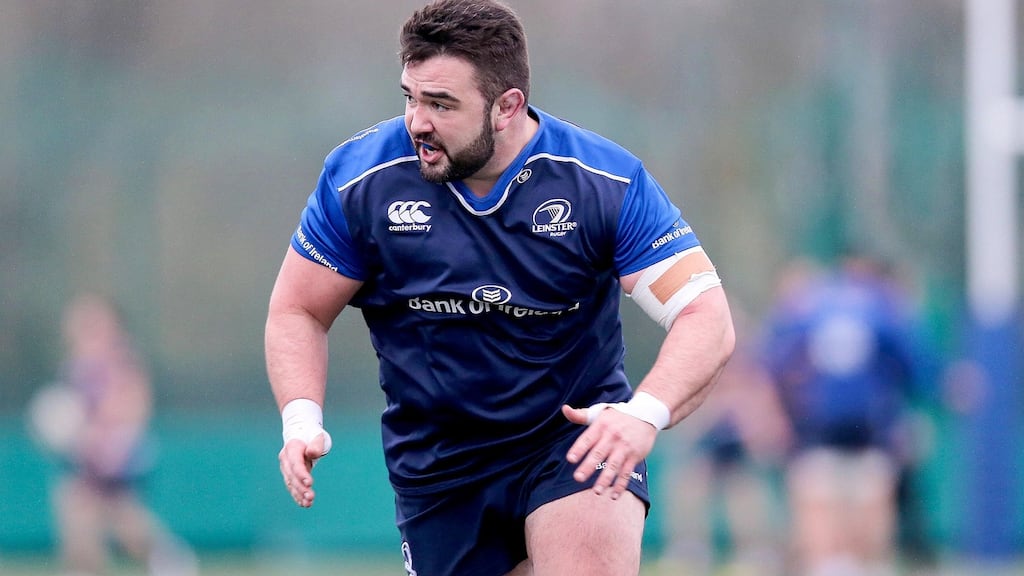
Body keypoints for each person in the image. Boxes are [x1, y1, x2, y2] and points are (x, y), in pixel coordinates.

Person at [265, 1, 735, 574]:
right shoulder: (360, 181)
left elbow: (705, 315)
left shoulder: (603, 184)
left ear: (507, 106)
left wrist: (644, 413)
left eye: (442, 104)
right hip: (438, 465)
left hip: (571, 440)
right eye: (411, 97)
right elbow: (298, 310)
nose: (418, 121)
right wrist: (301, 420)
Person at [761, 255, 926, 576]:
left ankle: (836, 565)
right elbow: (910, 369)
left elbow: (775, 366)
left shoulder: (812, 310)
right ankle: (852, 565)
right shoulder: (880, 311)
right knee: (852, 500)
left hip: (834, 427)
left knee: (839, 500)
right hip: (848, 428)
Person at [40, 293, 196, 576]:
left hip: (114, 455)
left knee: (126, 526)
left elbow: (133, 405)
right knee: (77, 518)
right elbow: (70, 411)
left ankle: (167, 558)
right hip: (83, 458)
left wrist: (106, 437)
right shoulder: (75, 365)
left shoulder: (120, 361)